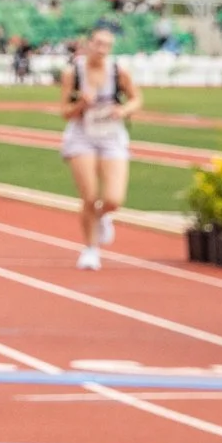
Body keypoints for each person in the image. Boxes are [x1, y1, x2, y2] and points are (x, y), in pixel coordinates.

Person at [60, 24, 139, 270]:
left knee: (114, 199)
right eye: (98, 44)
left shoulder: (118, 71)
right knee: (90, 196)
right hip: (82, 135)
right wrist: (81, 104)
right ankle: (91, 249)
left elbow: (137, 98)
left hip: (112, 136)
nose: (102, 49)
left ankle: (103, 215)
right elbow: (64, 112)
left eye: (107, 45)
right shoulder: (73, 73)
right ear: (88, 44)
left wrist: (123, 110)